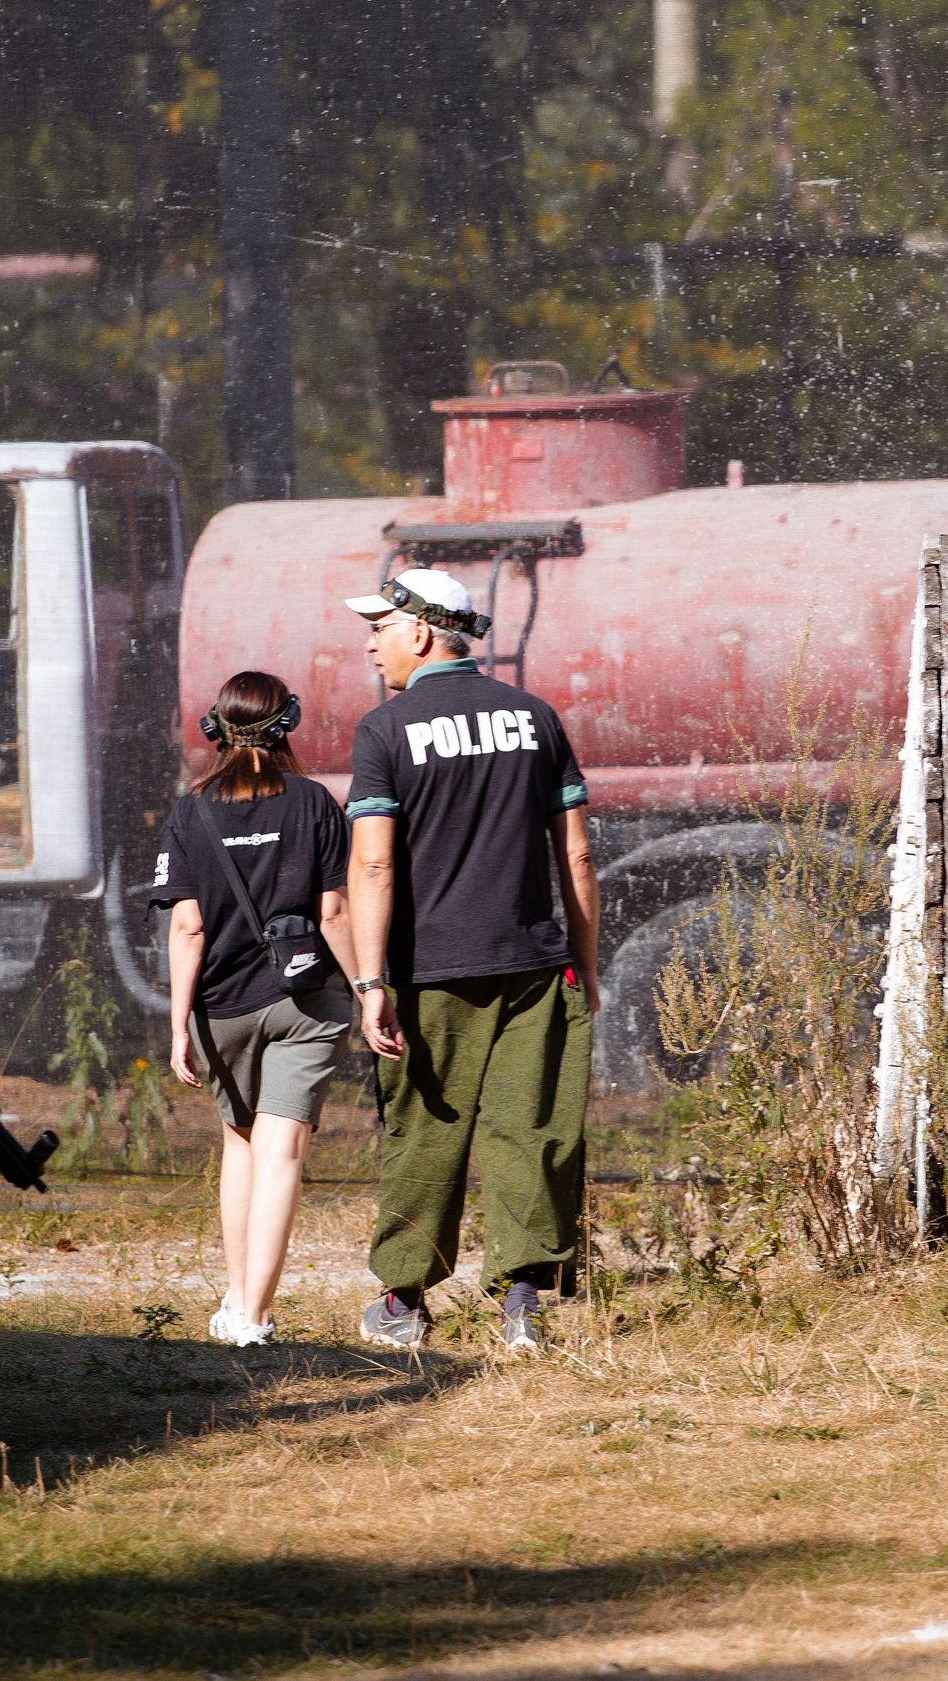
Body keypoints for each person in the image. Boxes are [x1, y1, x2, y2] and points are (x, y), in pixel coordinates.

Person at [341, 568, 600, 1353]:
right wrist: (585, 968)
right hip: (534, 966)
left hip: (431, 974)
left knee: (424, 1131)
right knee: (532, 1129)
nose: (369, 642)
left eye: (379, 627)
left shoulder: (385, 730)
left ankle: (403, 1303)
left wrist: (371, 980)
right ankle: (523, 1302)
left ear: (421, 633)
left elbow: (375, 867)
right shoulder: (536, 717)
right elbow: (578, 857)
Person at [154, 670, 360, 1349]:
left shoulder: (192, 809)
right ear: (287, 724)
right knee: (283, 1152)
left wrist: (179, 1023)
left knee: (240, 1144)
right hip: (304, 1000)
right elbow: (333, 911)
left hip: (221, 1007)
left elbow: (186, 928)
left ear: (216, 729)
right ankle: (252, 1316)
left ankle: (239, 1302)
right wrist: (367, 987)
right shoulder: (314, 802)